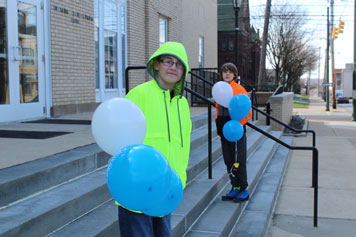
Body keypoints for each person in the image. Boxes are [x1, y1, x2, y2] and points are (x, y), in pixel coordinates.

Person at [118, 41, 192, 237]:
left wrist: (180, 179)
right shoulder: (139, 94)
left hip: (166, 188)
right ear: (157, 65)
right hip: (137, 187)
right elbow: (121, 138)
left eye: (179, 64)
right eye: (168, 61)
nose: (173, 68)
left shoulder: (182, 104)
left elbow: (184, 145)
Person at [215, 62, 252, 202]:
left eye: (230, 71)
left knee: (238, 160)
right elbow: (219, 110)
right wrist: (218, 123)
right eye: (224, 71)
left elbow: (247, 110)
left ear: (235, 74)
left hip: (236, 130)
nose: (227, 74)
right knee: (228, 159)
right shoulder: (220, 88)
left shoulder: (239, 89)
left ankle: (243, 188)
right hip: (224, 129)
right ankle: (234, 186)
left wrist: (238, 125)